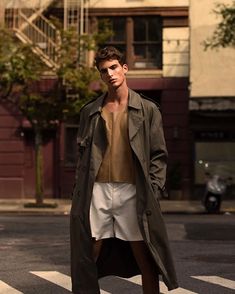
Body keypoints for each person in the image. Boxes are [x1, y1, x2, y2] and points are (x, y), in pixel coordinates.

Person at [70, 46, 178, 294]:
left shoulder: (147, 109)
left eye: (114, 67)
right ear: (100, 75)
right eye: (104, 70)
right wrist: (78, 193)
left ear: (124, 68)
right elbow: (83, 156)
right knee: (89, 253)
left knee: (145, 253)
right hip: (96, 190)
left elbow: (158, 154)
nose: (110, 74)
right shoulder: (91, 111)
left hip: (133, 190)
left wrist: (153, 188)